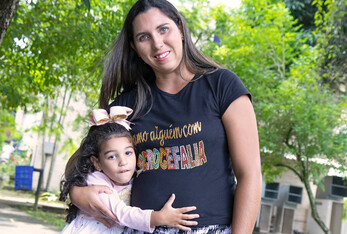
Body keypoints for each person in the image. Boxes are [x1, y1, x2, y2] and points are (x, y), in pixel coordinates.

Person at [65, 0, 262, 233]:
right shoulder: (126, 106)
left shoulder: (222, 86)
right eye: (144, 37)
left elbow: (249, 175)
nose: (157, 44)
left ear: (180, 29)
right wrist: (77, 192)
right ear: (135, 47)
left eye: (163, 29)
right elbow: (81, 163)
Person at [60, 107, 199, 233]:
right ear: (97, 163)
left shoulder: (134, 177)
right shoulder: (97, 182)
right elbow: (121, 213)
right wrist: (158, 217)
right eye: (112, 156)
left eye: (128, 153)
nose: (123, 162)